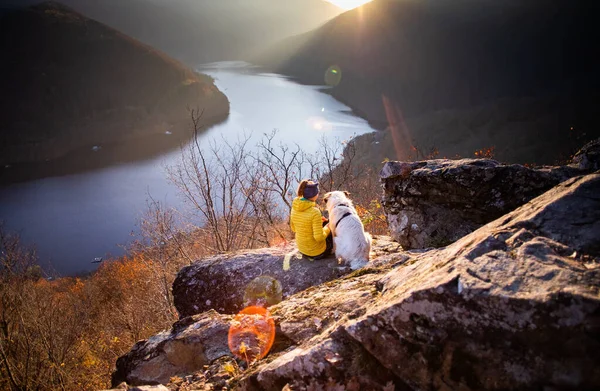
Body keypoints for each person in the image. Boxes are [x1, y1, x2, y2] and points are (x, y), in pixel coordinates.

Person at [290, 179, 333, 259]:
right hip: (317, 253)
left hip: (302, 249)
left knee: (324, 223)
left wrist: (318, 221)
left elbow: (294, 228)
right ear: (314, 195)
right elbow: (319, 238)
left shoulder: (294, 207)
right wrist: (328, 227)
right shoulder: (314, 212)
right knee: (331, 225)